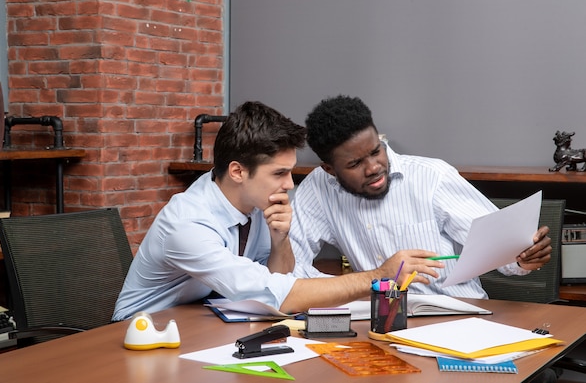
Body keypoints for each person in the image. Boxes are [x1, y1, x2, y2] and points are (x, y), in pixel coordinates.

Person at [112, 100, 405, 321]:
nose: (289, 184)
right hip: (141, 332)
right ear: (238, 171)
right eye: (279, 173)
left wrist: (280, 240)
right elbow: (277, 294)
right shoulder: (188, 225)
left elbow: (277, 277)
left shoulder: (253, 203)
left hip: (198, 323)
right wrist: (378, 277)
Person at [289, 95, 553, 299]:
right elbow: (289, 274)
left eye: (376, 151)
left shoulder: (432, 177)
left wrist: (525, 257)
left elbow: (507, 255)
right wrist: (366, 282)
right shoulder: (318, 188)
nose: (373, 167)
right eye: (355, 164)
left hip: (459, 320)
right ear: (329, 169)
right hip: (383, 327)